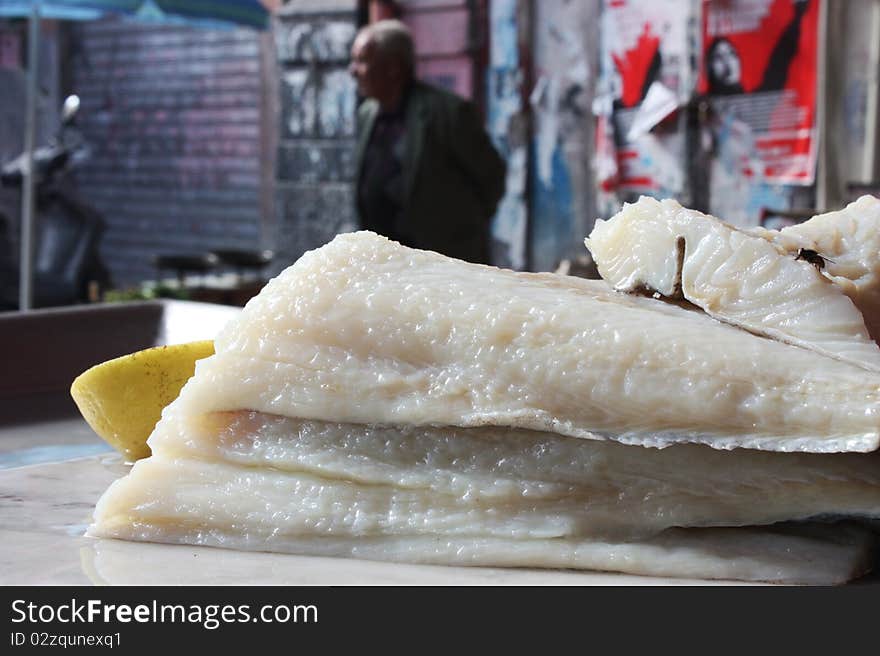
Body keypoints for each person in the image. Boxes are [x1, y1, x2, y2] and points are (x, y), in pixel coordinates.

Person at [349, 19, 506, 264]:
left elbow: (492, 176)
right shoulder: (367, 113)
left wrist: (462, 229)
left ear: (393, 67)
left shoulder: (449, 113)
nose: (353, 70)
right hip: (384, 261)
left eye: (362, 60)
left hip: (441, 260)